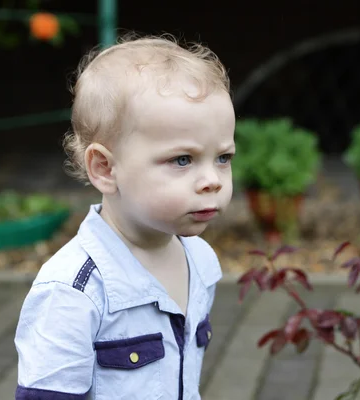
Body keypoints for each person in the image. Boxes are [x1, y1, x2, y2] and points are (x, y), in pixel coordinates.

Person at [14, 34, 235, 400]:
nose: (212, 180)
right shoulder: (74, 291)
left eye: (223, 158)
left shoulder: (200, 260)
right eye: (182, 160)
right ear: (105, 168)